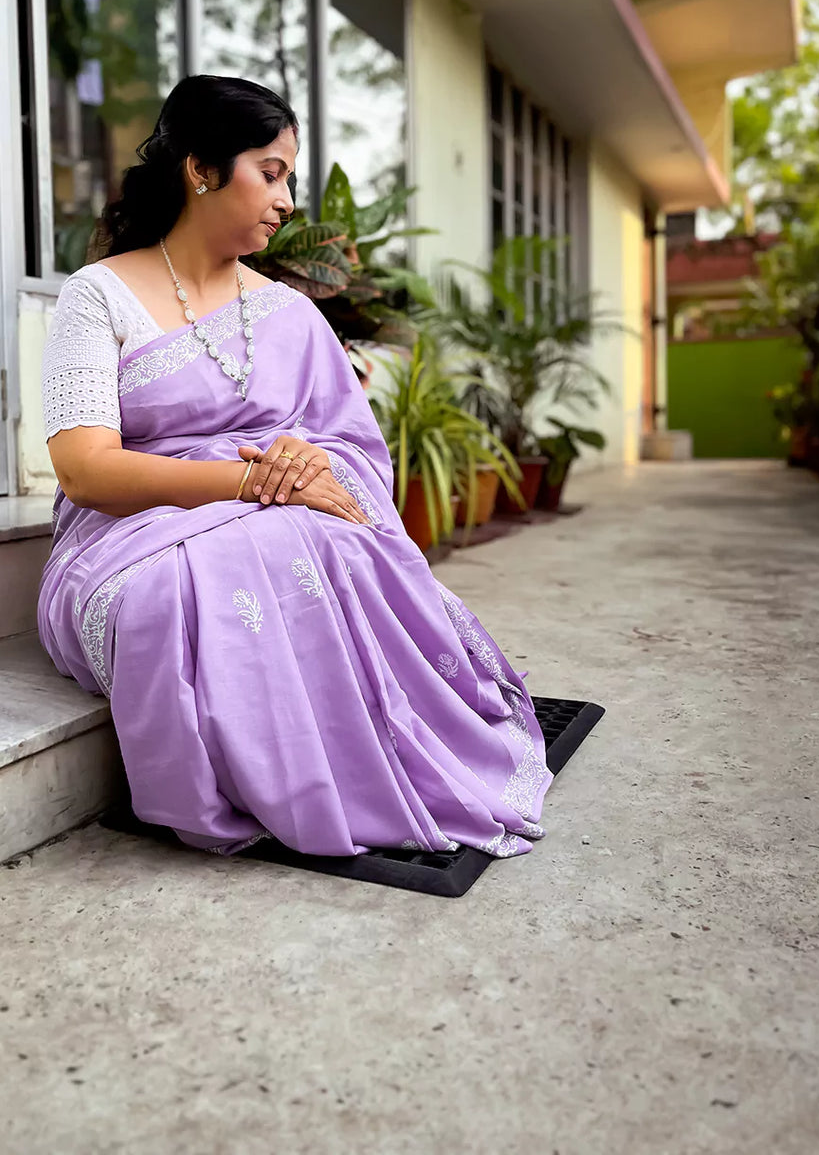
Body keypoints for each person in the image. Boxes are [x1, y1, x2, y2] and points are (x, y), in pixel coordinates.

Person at [38, 75, 551, 858]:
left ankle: (360, 760)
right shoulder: (98, 296)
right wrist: (250, 481)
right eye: (270, 174)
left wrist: (307, 462)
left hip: (280, 503)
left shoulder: (292, 313)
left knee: (339, 543)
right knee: (186, 588)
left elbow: (349, 449)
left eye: (290, 180)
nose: (286, 201)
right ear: (201, 170)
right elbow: (85, 473)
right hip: (130, 529)